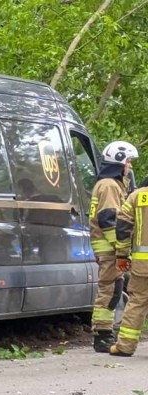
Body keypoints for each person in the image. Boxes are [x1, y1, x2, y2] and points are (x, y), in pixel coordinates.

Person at [90, 141, 138, 352]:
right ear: (119, 162)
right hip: (109, 248)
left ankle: (105, 332)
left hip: (108, 247)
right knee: (109, 290)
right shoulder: (109, 185)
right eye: (128, 161)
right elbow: (109, 219)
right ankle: (102, 336)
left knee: (114, 289)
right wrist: (121, 249)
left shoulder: (111, 183)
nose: (131, 166)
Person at [108, 183, 148, 356]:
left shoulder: (137, 196)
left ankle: (125, 346)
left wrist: (122, 255)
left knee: (137, 302)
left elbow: (122, 228)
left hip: (143, 265)